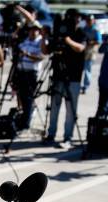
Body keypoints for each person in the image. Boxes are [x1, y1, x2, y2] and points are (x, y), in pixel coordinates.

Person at [44, 8, 86, 148]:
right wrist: (46, 37)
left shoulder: (80, 32)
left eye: (77, 18)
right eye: (74, 17)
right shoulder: (59, 32)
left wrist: (68, 40)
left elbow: (81, 48)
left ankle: (68, 137)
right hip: (58, 75)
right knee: (54, 107)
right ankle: (51, 134)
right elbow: (46, 51)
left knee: (70, 109)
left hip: (73, 76)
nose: (76, 20)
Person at [16, 22, 46, 130]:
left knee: (28, 98)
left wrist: (27, 55)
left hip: (32, 73)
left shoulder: (40, 42)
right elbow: (18, 49)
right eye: (31, 30)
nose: (33, 32)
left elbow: (41, 56)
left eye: (35, 30)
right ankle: (24, 118)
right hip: (21, 71)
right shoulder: (26, 41)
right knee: (22, 97)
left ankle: (26, 122)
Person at [81, 14, 102, 94]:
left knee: (87, 69)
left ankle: (86, 86)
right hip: (83, 51)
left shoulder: (95, 29)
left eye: (90, 20)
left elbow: (99, 41)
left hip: (91, 51)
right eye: (87, 20)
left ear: (93, 21)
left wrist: (90, 42)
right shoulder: (84, 29)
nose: (88, 21)